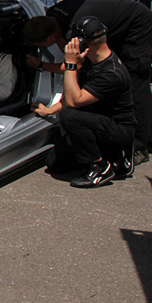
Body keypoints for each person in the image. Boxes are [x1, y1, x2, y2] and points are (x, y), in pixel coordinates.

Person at [25, 0, 152, 165]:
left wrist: (42, 65)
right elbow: (69, 57)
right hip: (117, 21)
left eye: (43, 45)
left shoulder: (74, 32)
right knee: (129, 83)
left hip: (136, 23)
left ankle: (139, 147)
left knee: (136, 82)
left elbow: (74, 67)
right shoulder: (53, 15)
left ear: (50, 37)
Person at [32, 16, 136, 188]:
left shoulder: (111, 73)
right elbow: (76, 92)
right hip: (95, 120)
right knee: (55, 164)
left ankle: (101, 166)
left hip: (117, 128)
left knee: (70, 115)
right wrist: (51, 110)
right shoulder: (90, 59)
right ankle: (107, 154)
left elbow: (74, 101)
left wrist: (71, 65)